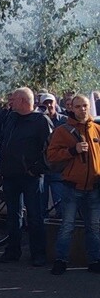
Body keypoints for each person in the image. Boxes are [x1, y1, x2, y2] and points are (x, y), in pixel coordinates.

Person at [0, 87, 50, 266]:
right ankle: (12, 250)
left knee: (34, 215)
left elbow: (50, 149)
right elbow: (5, 143)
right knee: (12, 216)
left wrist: (37, 169)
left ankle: (38, 254)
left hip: (30, 177)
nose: (11, 102)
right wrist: (0, 168)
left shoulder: (40, 121)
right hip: (10, 175)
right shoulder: (11, 118)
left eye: (14, 99)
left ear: (24, 101)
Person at [46, 94, 100, 275]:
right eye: (78, 106)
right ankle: (61, 260)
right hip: (71, 187)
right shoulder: (62, 131)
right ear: (72, 109)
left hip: (93, 187)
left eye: (85, 106)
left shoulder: (97, 130)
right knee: (67, 226)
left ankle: (95, 260)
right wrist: (72, 150)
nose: (82, 109)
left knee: (94, 227)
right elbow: (51, 156)